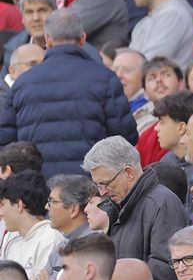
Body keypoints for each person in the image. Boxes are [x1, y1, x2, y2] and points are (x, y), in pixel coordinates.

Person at [0, 10, 135, 177]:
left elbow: (5, 141)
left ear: (48, 40)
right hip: (91, 186)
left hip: (37, 186)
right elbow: (125, 137)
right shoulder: (105, 78)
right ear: (83, 39)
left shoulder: (22, 83)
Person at [83, 136, 186, 280]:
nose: (102, 192)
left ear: (128, 173)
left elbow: (169, 269)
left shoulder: (162, 203)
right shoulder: (119, 205)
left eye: (105, 183)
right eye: (98, 185)